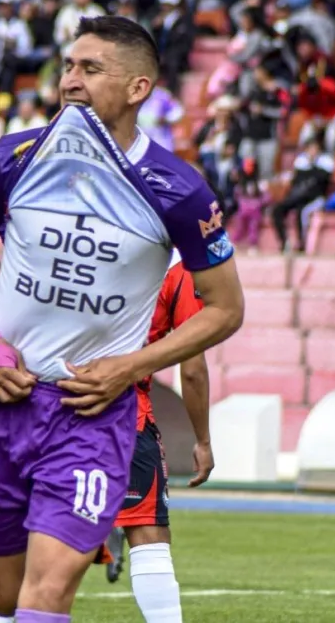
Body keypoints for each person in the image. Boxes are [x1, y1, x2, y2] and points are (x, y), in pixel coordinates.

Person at [0, 16, 245, 623]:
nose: (70, 80)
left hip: (90, 415)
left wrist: (131, 367)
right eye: (69, 66)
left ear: (138, 88)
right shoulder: (15, 155)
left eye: (91, 69)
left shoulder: (178, 188)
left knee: (48, 591)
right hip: (4, 401)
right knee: (2, 596)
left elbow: (226, 308)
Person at [102, 248, 214, 623]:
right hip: (122, 415)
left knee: (33, 542)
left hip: (50, 402)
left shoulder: (74, 237)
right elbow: (192, 367)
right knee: (148, 535)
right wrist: (203, 441)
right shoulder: (177, 265)